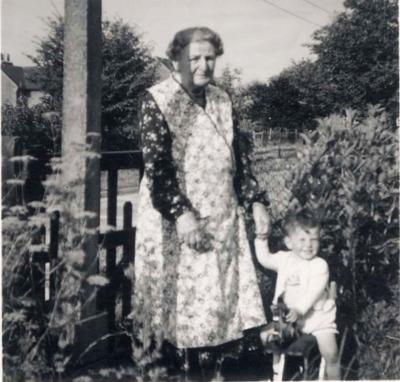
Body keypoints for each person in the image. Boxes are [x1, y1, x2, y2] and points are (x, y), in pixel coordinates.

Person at [132, 27, 270, 379]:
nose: (203, 65)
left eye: (210, 57)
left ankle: (215, 370)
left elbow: (239, 156)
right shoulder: (157, 99)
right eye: (194, 58)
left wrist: (255, 201)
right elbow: (157, 167)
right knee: (180, 306)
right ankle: (174, 371)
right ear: (177, 59)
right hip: (175, 220)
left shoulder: (223, 100)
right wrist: (181, 215)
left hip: (221, 215)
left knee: (220, 302)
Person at [254, 210, 340, 380]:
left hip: (318, 318)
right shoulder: (284, 259)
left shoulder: (320, 265)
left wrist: (300, 309)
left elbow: (313, 292)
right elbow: (264, 259)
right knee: (264, 337)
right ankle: (274, 371)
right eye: (302, 239)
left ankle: (334, 376)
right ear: (289, 242)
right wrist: (261, 239)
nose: (308, 245)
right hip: (289, 320)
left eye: (313, 240)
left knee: (330, 353)